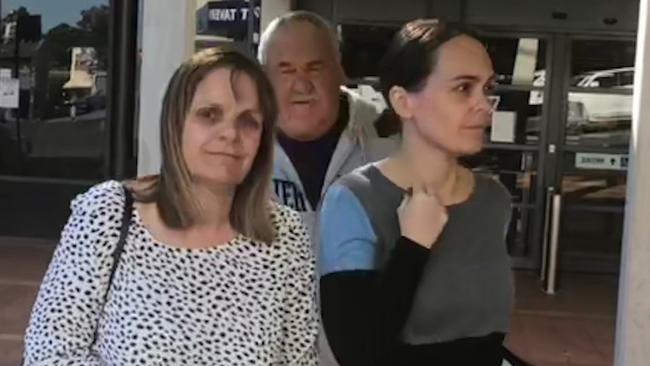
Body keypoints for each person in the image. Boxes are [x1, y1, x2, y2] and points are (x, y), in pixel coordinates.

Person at [23, 47, 318, 366]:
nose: (230, 134)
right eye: (210, 115)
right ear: (175, 124)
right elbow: (50, 353)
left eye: (248, 122)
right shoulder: (108, 213)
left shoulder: (285, 235)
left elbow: (300, 361)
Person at [318, 19, 518, 365]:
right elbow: (359, 354)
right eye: (462, 88)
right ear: (403, 101)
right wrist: (412, 247)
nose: (484, 105)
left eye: (487, 88)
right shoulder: (353, 200)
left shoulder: (494, 200)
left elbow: (484, 343)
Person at [258, 11, 397, 236]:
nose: (302, 86)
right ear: (263, 78)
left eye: (314, 68)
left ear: (339, 71)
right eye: (287, 71)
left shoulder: (388, 139)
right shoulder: (240, 146)